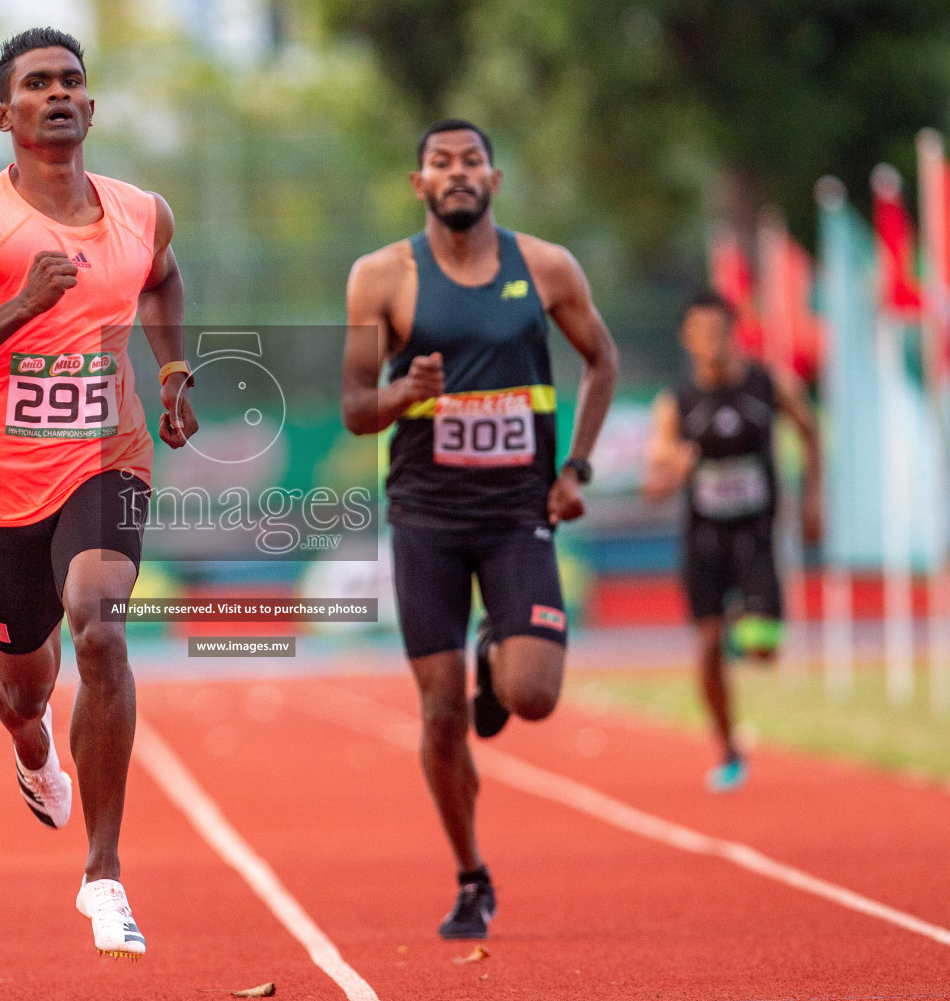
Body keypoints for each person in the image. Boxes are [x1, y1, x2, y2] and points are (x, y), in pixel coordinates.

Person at [0, 27, 197, 960]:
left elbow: (164, 277)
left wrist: (173, 363)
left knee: (99, 624)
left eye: (71, 81)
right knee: (26, 690)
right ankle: (30, 744)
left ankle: (103, 875)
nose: (57, 94)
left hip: (107, 460)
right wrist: (21, 306)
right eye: (37, 84)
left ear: (90, 109)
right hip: (1, 493)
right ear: (5, 115)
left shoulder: (142, 212)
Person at [342, 119, 619, 939]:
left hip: (516, 515)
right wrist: (404, 393)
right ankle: (470, 874)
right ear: (419, 183)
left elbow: (601, 360)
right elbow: (358, 407)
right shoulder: (382, 278)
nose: (456, 173)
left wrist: (577, 468)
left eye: (471, 162)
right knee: (438, 715)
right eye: (440, 163)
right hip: (426, 516)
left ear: (494, 179)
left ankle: (498, 668)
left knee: (532, 697)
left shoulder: (547, 268)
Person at [642, 290, 821, 793]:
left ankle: (747, 623)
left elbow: (810, 431)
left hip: (758, 533)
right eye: (700, 334)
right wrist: (670, 473)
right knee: (707, 645)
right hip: (704, 538)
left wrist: (813, 499)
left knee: (762, 649)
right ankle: (728, 748)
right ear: (686, 339)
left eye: (719, 331)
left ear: (734, 332)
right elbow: (653, 481)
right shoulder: (676, 402)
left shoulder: (769, 385)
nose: (711, 343)